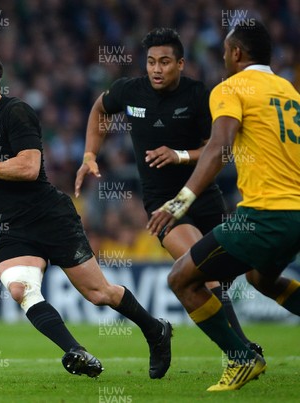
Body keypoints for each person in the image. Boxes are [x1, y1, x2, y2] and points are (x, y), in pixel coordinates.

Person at [0, 51, 172, 379]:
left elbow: (29, 168)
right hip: (14, 227)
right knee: (21, 289)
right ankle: (76, 351)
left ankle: (155, 330)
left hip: (50, 217)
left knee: (98, 293)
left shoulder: (16, 112)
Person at [75, 27, 259, 354]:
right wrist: (90, 154)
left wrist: (179, 155)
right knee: (200, 270)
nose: (157, 69)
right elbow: (99, 110)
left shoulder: (200, 96)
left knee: (249, 274)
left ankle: (237, 349)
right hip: (163, 205)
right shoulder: (129, 92)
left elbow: (219, 150)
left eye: (164, 62)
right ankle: (242, 350)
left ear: (181, 64)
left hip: (204, 196)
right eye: (151, 62)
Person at [147, 20, 300, 391]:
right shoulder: (289, 91)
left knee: (181, 277)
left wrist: (180, 202)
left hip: (264, 216)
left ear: (236, 54)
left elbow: (220, 147)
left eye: (224, 54)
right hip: (296, 216)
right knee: (260, 278)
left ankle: (243, 357)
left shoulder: (231, 88)